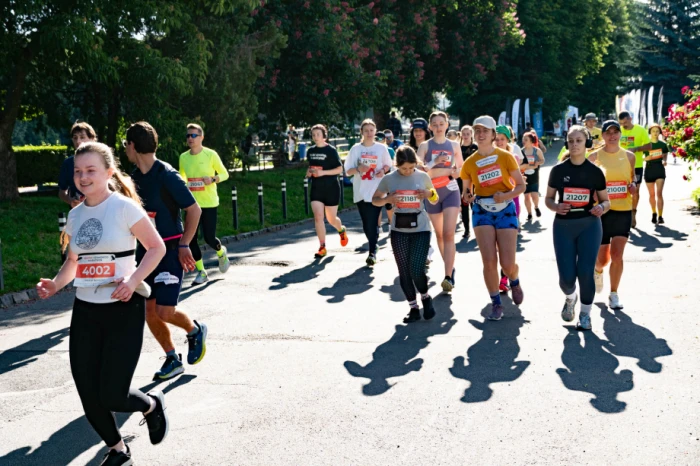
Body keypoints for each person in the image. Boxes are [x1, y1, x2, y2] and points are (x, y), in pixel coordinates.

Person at [36, 142, 169, 465]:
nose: (83, 177)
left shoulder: (124, 208)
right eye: (78, 171)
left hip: (123, 308)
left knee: (112, 393)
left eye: (91, 170)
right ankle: (117, 449)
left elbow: (156, 248)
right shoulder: (76, 214)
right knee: (88, 393)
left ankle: (151, 404)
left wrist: (133, 281)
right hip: (86, 310)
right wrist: (55, 284)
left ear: (109, 172)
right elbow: (73, 262)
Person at [125, 121, 208, 381]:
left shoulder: (167, 175)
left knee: (164, 311)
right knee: (149, 312)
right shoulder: (132, 178)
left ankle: (194, 331)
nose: (125, 149)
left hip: (170, 250)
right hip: (145, 252)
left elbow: (194, 210)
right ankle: (172, 358)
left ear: (133, 146)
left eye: (126, 145)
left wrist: (185, 244)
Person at [460, 116, 526, 320]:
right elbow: (466, 192)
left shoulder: (506, 156)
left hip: (505, 208)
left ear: (493, 134)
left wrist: (505, 196)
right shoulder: (469, 163)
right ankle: (496, 302)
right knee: (489, 261)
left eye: (485, 131)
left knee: (507, 264)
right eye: (477, 130)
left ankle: (513, 279)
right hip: (482, 210)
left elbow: (521, 186)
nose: (480, 134)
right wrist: (467, 196)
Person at [546, 125, 610, 330]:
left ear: (587, 143)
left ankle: (585, 315)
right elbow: (548, 199)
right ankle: (570, 297)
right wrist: (556, 206)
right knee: (566, 278)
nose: (574, 144)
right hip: (563, 226)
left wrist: (601, 207)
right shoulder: (558, 171)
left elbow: (606, 201)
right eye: (571, 140)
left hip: (589, 225)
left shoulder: (596, 172)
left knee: (585, 271)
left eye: (579, 140)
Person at [372, 146, 438, 323]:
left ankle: (425, 296)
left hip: (421, 228)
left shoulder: (422, 176)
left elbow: (435, 198)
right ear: (397, 165)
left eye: (410, 167)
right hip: (399, 229)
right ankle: (413, 308)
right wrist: (387, 199)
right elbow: (375, 199)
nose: (407, 171)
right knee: (404, 271)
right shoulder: (389, 179)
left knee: (417, 269)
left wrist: (428, 193)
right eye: (403, 168)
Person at [588, 120, 637, 310]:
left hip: (623, 210)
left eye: (616, 132)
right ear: (603, 135)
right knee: (602, 259)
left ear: (620, 134)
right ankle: (597, 270)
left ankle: (614, 293)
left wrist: (633, 188)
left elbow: (632, 181)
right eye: (608, 132)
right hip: (601, 212)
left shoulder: (629, 156)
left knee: (617, 255)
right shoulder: (593, 157)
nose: (612, 136)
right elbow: (587, 183)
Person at [417, 111, 464, 292]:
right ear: (430, 127)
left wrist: (447, 172)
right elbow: (422, 173)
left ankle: (447, 276)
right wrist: (439, 164)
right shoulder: (424, 146)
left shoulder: (454, 145)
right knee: (440, 235)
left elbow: (459, 172)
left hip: (450, 191)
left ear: (447, 125)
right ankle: (450, 267)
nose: (438, 127)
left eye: (441, 124)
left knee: (449, 233)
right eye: (434, 124)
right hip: (432, 193)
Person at [179, 123, 231, 284]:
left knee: (209, 238)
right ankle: (202, 272)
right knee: (191, 240)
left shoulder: (211, 154)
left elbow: (225, 174)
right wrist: (183, 184)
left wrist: (213, 179)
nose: (190, 138)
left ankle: (221, 252)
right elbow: (182, 176)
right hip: (192, 205)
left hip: (209, 203)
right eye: (188, 135)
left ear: (201, 137)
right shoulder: (183, 157)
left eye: (193, 135)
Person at [344, 119, 393, 266]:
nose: (369, 133)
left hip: (377, 189)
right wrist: (359, 169)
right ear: (362, 133)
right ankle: (374, 244)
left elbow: (388, 165)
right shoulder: (355, 149)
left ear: (375, 131)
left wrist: (382, 171)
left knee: (373, 219)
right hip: (360, 190)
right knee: (366, 223)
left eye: (372, 130)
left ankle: (372, 252)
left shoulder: (381, 148)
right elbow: (347, 171)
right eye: (366, 131)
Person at [306, 124, 349, 258]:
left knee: (331, 219)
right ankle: (322, 246)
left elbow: (339, 169)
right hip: (317, 188)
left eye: (318, 134)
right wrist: (309, 172)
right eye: (313, 135)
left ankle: (341, 230)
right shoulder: (310, 151)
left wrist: (323, 173)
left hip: (331, 188)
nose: (315, 137)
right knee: (318, 216)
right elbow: (311, 167)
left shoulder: (331, 150)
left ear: (324, 136)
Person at [618, 111, 650, 228]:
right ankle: (622, 215)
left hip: (636, 165)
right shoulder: (618, 130)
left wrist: (636, 148)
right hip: (620, 165)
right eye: (621, 123)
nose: (624, 125)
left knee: (635, 191)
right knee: (621, 191)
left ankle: (633, 214)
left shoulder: (640, 130)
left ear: (630, 119)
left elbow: (649, 146)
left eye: (625, 122)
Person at [58, 122, 97, 208]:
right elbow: (61, 192)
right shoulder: (68, 163)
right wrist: (71, 201)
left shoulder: (101, 161)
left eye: (82, 137)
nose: (78, 141)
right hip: (78, 212)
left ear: (92, 139)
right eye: (75, 138)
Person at [643, 123, 669, 224]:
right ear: (650, 132)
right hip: (649, 169)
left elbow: (665, 154)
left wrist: (664, 160)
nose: (655, 133)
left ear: (660, 133)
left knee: (659, 193)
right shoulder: (646, 144)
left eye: (657, 131)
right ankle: (653, 213)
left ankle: (660, 216)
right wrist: (646, 158)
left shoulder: (663, 144)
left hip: (659, 169)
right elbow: (640, 158)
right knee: (652, 194)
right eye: (653, 131)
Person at [457, 125, 479, 239]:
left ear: (471, 135)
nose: (465, 136)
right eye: (463, 134)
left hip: (475, 180)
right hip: (461, 180)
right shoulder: (458, 148)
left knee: (475, 205)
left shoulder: (476, 147)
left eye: (468, 134)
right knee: (464, 205)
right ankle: (466, 230)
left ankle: (478, 228)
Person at [520, 131, 545, 221]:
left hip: (534, 175)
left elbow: (542, 160)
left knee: (534, 195)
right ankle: (529, 213)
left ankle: (536, 207)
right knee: (526, 196)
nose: (524, 141)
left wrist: (539, 162)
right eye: (523, 139)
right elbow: (518, 164)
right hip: (524, 176)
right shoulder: (521, 151)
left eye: (526, 139)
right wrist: (525, 166)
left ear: (531, 141)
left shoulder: (537, 150)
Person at [376, 132, 396, 230]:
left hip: (388, 179)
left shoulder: (390, 150)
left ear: (385, 139)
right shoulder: (372, 150)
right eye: (377, 139)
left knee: (389, 204)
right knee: (378, 204)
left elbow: (393, 163)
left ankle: (391, 224)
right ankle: (378, 227)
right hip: (376, 180)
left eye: (381, 139)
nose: (379, 141)